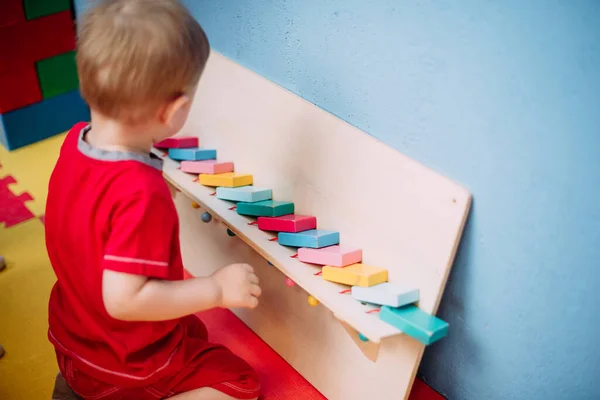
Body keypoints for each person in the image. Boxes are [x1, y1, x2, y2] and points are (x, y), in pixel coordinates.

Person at [44, 1, 262, 399]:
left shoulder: (75, 143)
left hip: (76, 339)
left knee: (191, 334)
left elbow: (94, 223)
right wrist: (216, 288)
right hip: (129, 363)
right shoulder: (140, 193)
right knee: (239, 383)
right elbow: (126, 299)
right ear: (176, 110)